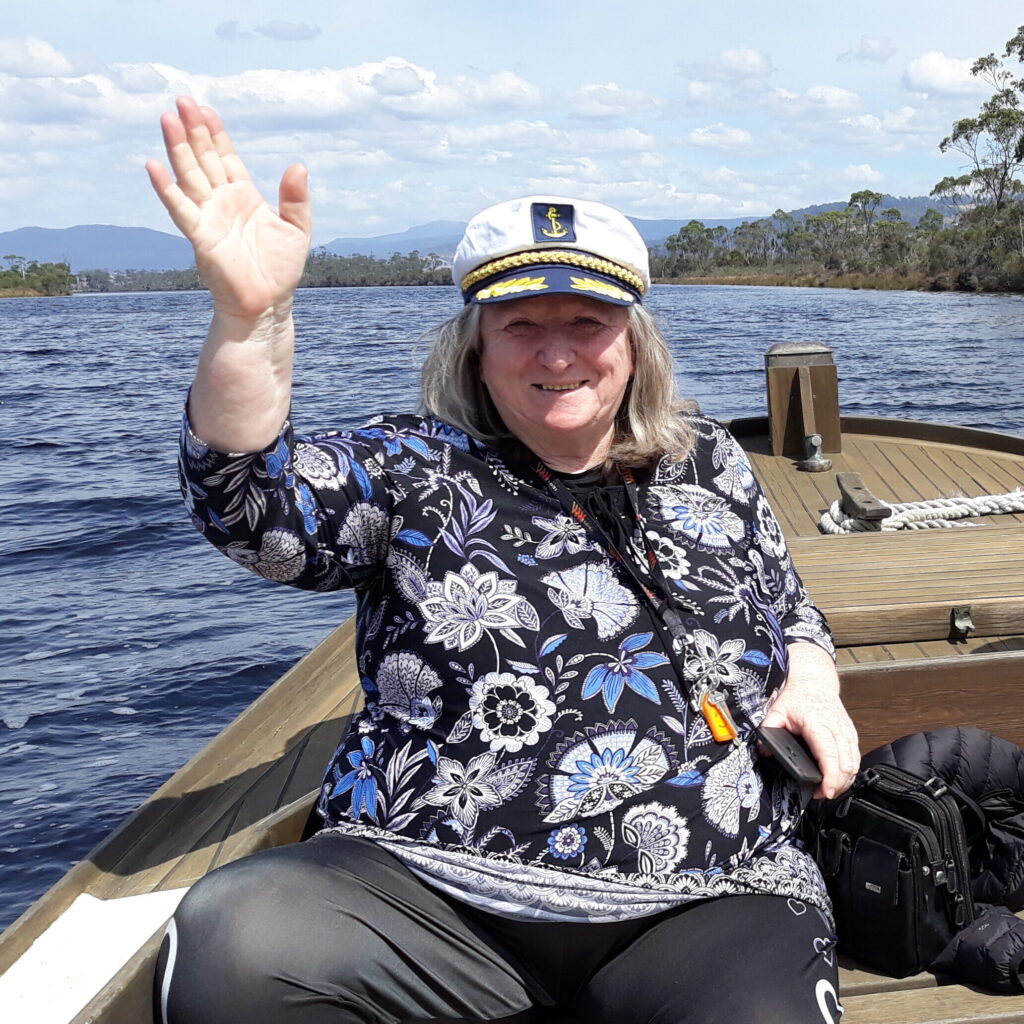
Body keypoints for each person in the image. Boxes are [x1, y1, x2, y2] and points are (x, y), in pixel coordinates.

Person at [148, 96, 859, 1024]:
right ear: (476, 349)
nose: (558, 354)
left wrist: (811, 672)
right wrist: (250, 321)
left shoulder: (707, 455)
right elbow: (254, 511)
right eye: (522, 325)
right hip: (430, 891)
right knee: (233, 938)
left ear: (634, 346)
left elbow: (783, 594)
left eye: (587, 322)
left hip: (710, 889)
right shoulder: (408, 466)